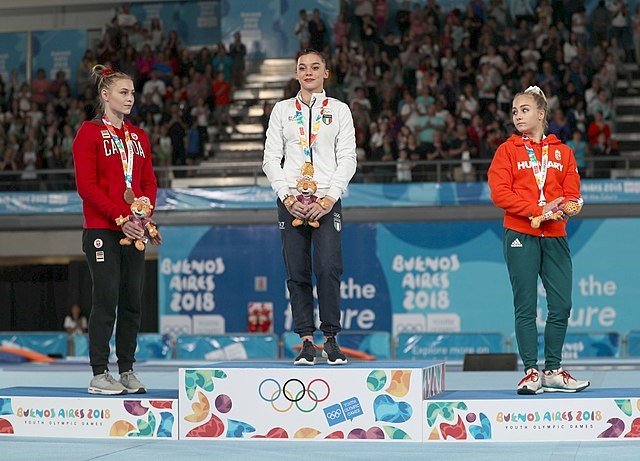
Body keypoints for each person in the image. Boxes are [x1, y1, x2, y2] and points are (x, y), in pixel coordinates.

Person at [487, 85, 589, 395]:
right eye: (515, 111)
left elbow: (571, 192)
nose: (518, 115)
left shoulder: (564, 152)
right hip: (521, 233)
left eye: (525, 109)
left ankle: (553, 370)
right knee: (526, 305)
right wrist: (537, 210)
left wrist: (570, 206)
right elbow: (499, 193)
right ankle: (531, 371)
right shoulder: (506, 150)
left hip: (555, 235)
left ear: (541, 114)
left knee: (562, 304)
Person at [262, 49, 357, 366]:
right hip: (290, 202)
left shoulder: (340, 110)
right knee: (297, 271)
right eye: (302, 67)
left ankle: (331, 340)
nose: (308, 72)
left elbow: (347, 159)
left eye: (315, 67)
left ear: (326, 73)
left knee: (329, 268)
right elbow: (270, 159)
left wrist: (329, 198)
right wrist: (287, 197)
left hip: (327, 202)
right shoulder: (281, 110)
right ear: (296, 73)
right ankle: (306, 341)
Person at [73, 64, 161, 395]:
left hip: (133, 231)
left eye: (133, 93)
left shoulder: (139, 137)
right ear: (105, 94)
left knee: (132, 302)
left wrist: (142, 215)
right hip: (101, 229)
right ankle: (99, 372)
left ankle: (127, 369)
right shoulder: (89, 133)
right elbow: (87, 187)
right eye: (123, 92)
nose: (130, 98)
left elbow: (148, 182)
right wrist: (120, 217)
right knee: (106, 297)